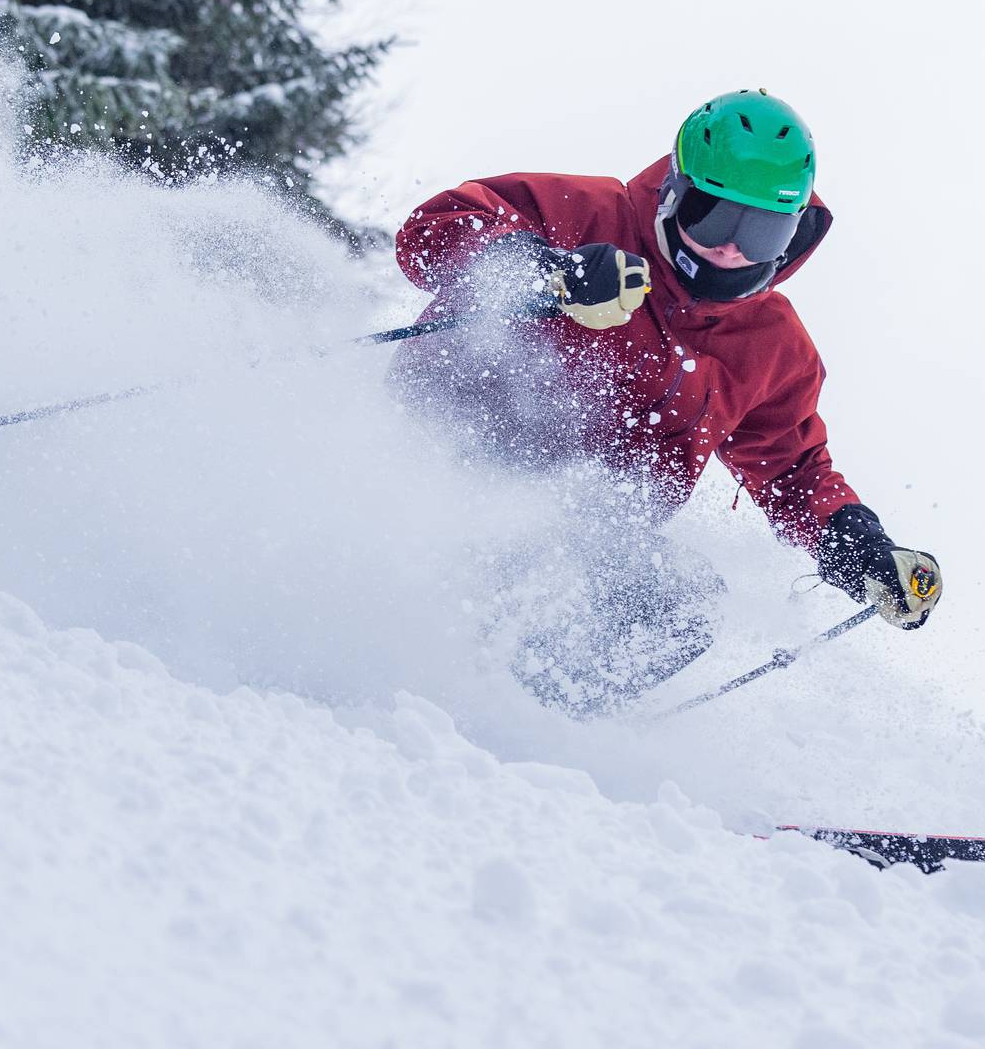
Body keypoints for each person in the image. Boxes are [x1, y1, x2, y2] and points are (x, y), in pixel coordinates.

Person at [388, 90, 941, 713]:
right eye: (714, 216)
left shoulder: (772, 346)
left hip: (584, 525)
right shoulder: (585, 214)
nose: (732, 247)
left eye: (761, 230)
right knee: (508, 557)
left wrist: (858, 545)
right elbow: (429, 231)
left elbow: (791, 469)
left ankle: (528, 723)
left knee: (679, 604)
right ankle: (410, 676)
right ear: (677, 191)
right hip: (438, 457)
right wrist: (545, 271)